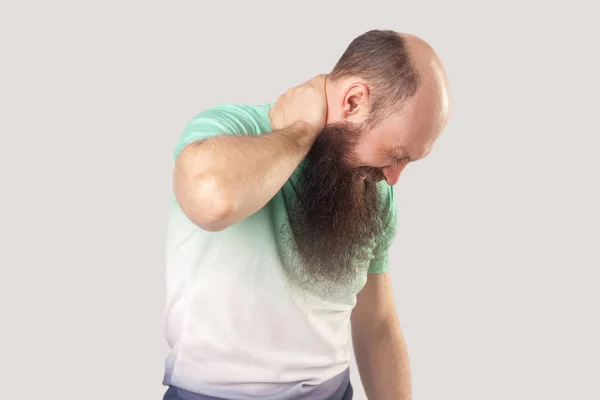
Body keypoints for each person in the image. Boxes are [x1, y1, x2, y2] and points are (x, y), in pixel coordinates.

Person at [162, 29, 451, 400]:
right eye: (397, 154)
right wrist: (300, 132)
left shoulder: (371, 186)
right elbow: (212, 201)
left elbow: (377, 323)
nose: (394, 178)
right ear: (353, 101)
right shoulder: (230, 129)